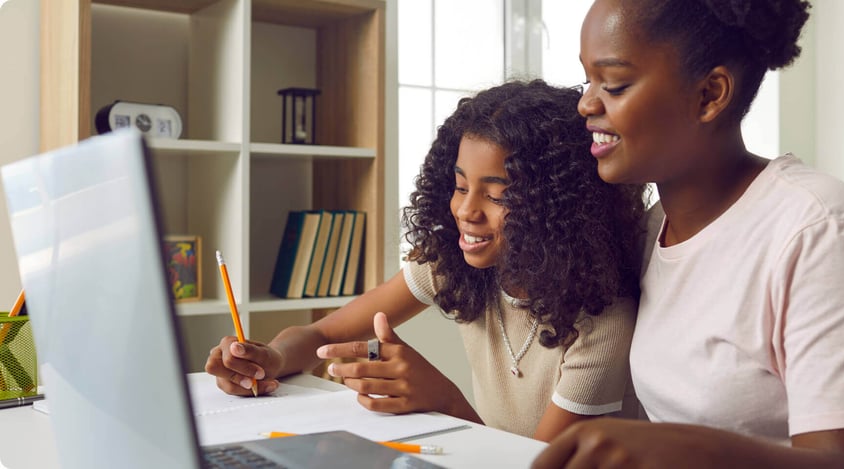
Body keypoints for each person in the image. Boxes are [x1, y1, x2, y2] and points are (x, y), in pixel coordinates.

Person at [533, 0, 844, 467]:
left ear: (710, 94)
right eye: (588, 80)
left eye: (615, 84)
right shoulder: (651, 232)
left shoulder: (826, 237)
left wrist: (683, 449)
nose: (586, 102)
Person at [205, 79, 649, 442]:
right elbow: (322, 331)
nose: (466, 211)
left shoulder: (601, 323)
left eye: (497, 194)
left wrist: (444, 400)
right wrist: (268, 359)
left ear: (559, 206)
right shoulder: (453, 264)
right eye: (459, 186)